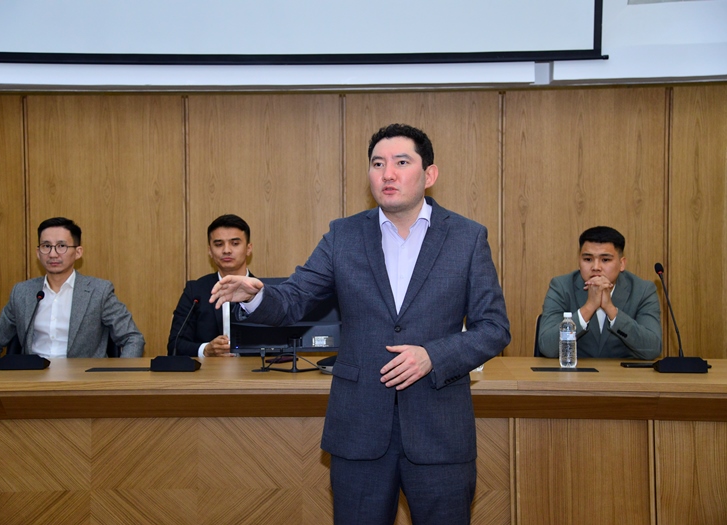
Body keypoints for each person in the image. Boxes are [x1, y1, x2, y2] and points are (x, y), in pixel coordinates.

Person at [210, 124, 510, 524]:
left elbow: (494, 327)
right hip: (359, 428)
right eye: (378, 164)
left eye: (401, 162)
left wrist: (433, 356)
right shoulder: (344, 235)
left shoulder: (467, 238)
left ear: (429, 174)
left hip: (439, 431)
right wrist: (256, 295)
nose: (388, 173)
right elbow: (294, 299)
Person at [0, 217, 144, 359]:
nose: (53, 254)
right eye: (46, 246)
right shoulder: (22, 293)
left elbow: (133, 338)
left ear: (78, 252)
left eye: (61, 246)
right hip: (33, 379)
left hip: (83, 381)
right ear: (38, 252)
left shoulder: (99, 292)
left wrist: (120, 376)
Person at [538, 226, 662, 359]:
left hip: (622, 371)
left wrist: (611, 309)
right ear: (579, 261)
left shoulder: (643, 290)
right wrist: (589, 307)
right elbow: (547, 347)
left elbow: (653, 348)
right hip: (576, 370)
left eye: (605, 260)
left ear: (622, 264)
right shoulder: (561, 287)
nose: (596, 267)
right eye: (588, 259)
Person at [167, 214, 254, 357]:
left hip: (253, 370)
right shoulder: (195, 292)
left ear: (249, 248)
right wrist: (205, 350)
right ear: (210, 251)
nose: (226, 250)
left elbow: (280, 347)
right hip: (207, 370)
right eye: (219, 244)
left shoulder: (264, 292)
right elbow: (175, 346)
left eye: (235, 243)